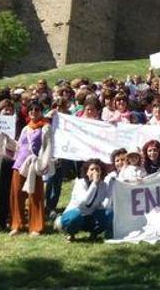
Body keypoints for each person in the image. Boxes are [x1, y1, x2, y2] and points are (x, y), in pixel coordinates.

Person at [9, 101, 54, 236]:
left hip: (34, 165)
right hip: (19, 164)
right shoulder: (25, 128)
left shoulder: (46, 128)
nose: (33, 112)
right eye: (31, 110)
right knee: (17, 195)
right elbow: (19, 146)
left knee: (35, 195)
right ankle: (18, 224)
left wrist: (43, 164)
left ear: (41, 111)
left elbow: (48, 147)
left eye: (36, 110)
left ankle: (36, 226)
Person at [59, 158, 111, 242]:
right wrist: (94, 183)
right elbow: (85, 202)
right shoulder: (80, 183)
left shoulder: (103, 185)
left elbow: (103, 203)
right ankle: (70, 233)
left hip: (90, 216)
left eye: (97, 169)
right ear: (87, 172)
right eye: (92, 169)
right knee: (74, 218)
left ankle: (94, 233)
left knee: (107, 216)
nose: (95, 172)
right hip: (76, 214)